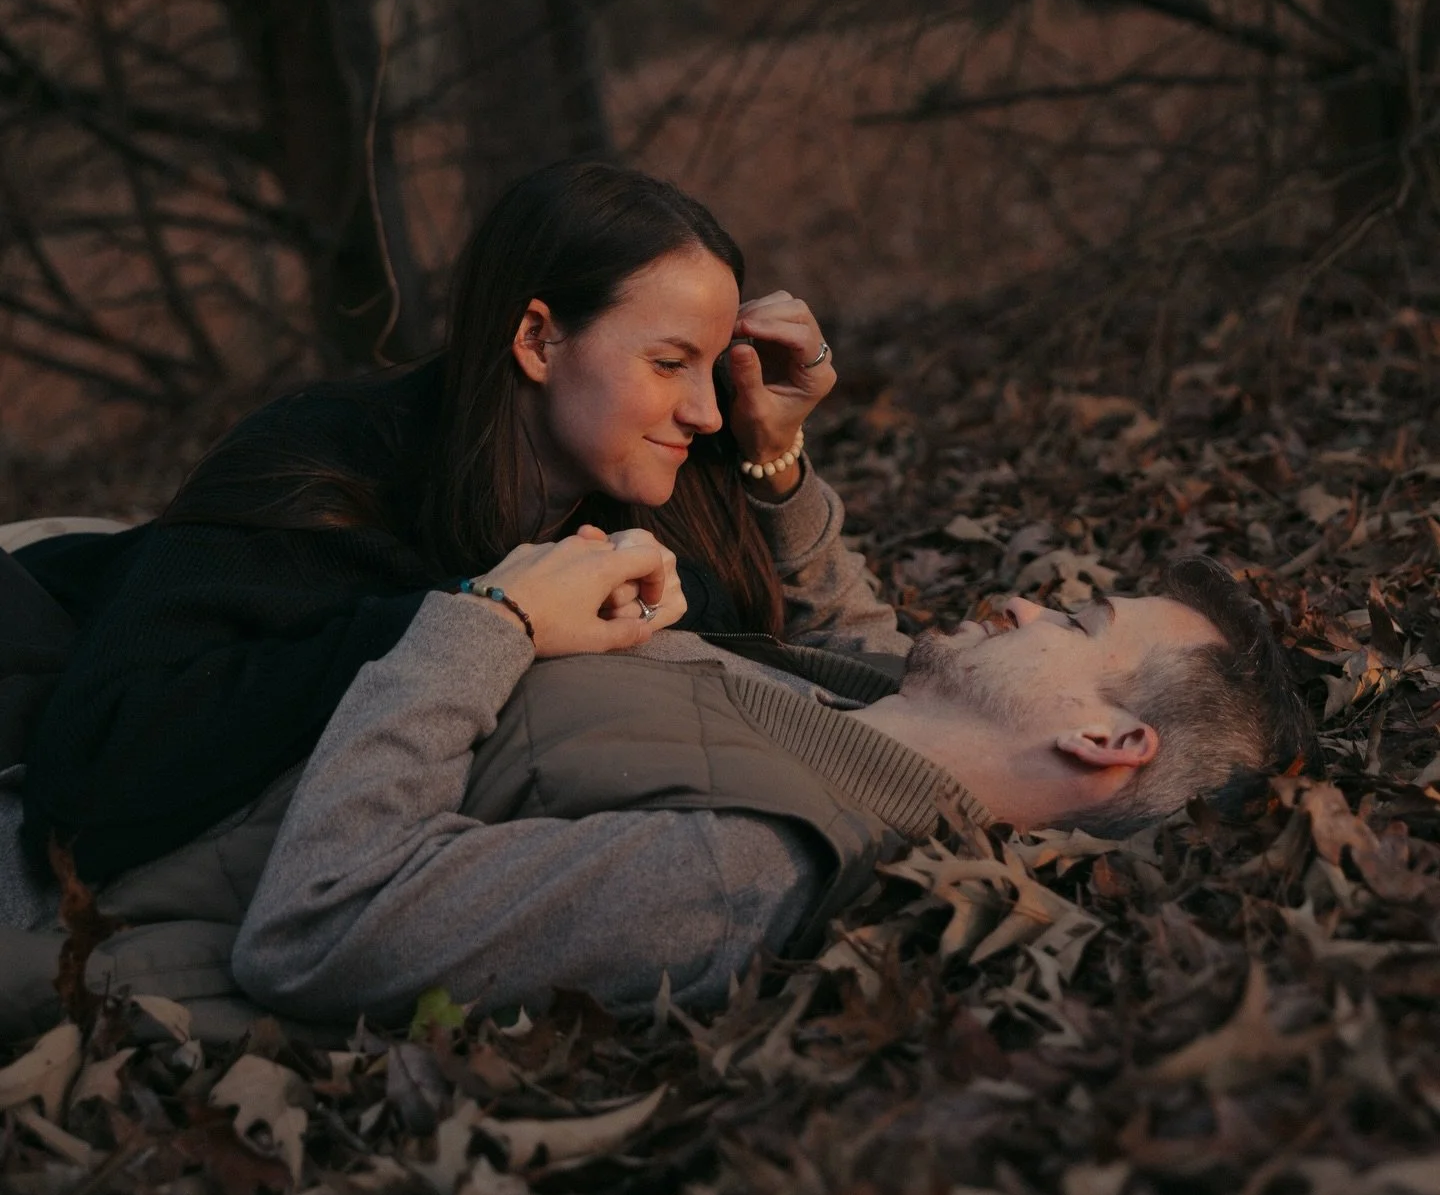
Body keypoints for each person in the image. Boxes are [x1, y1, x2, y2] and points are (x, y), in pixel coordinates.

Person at [15, 160, 898, 886]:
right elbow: (89, 778)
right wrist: (480, 618)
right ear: (538, 340)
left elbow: (854, 657)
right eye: (670, 362)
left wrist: (776, 459)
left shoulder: (660, 473)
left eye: (713, 366)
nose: (706, 410)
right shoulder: (319, 470)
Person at [226, 549, 1315, 1025]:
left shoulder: (746, 866)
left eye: (1076, 626)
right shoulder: (878, 719)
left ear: (1105, 737)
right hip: (209, 689)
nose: (1029, 606)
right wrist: (779, 456)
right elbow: (857, 628)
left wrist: (484, 620)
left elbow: (319, 928)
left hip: (91, 848)